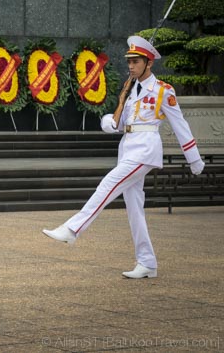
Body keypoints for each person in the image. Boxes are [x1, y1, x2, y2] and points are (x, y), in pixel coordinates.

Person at [43, 35, 205, 279]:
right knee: (134, 208)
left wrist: (194, 159)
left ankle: (73, 228)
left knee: (109, 183)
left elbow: (180, 125)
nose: (130, 65)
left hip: (145, 149)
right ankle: (147, 262)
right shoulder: (130, 90)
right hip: (128, 147)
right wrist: (108, 121)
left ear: (148, 63)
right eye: (129, 61)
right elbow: (119, 124)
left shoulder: (162, 90)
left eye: (136, 61)